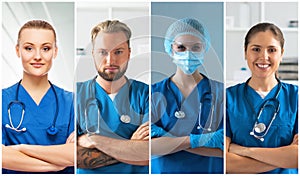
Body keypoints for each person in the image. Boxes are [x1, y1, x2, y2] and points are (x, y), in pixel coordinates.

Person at [151, 18, 224, 174]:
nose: (188, 54)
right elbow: (148, 147)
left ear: (205, 48)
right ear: (170, 48)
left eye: (196, 47)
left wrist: (168, 140)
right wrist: (201, 141)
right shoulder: (153, 94)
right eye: (181, 47)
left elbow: (225, 149)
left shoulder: (221, 93)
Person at [76, 20, 149, 174]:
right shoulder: (76, 95)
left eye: (118, 52)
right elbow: (72, 156)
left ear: (129, 53)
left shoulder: (147, 95)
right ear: (93, 54)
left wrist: (94, 140)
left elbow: (149, 155)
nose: (110, 60)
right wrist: (131, 146)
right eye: (103, 52)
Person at [2, 20, 74, 173]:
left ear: (55, 52)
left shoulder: (72, 102)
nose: (37, 56)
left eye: (46, 48)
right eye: (29, 48)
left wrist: (21, 148)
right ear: (17, 50)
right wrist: (57, 163)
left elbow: (76, 154)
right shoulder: (2, 100)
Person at [226, 22, 298, 174]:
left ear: (281, 54)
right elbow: (225, 163)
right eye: (256, 49)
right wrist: (284, 158)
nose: (264, 57)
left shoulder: (296, 97)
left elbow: (297, 158)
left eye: (272, 50)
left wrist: (245, 151)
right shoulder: (227, 98)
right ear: (245, 52)